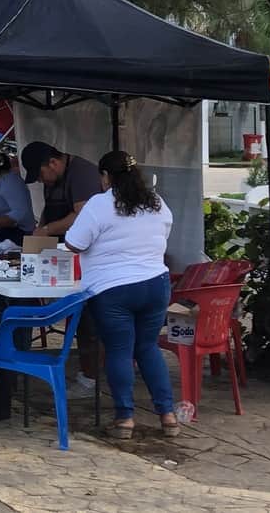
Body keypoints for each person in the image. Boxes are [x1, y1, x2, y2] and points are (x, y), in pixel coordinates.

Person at [65, 150, 178, 439]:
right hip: (155, 283)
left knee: (119, 351)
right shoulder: (156, 202)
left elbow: (75, 243)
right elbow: (163, 234)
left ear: (106, 177)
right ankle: (168, 415)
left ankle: (125, 419)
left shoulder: (99, 204)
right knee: (148, 347)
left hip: (113, 288)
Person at [20, 140, 103, 397]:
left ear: (53, 163)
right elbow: (49, 212)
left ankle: (92, 378)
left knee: (89, 318)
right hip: (63, 256)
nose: (43, 181)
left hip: (88, 258)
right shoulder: (54, 179)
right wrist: (38, 237)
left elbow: (81, 215)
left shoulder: (82, 174)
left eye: (42, 174)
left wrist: (46, 231)